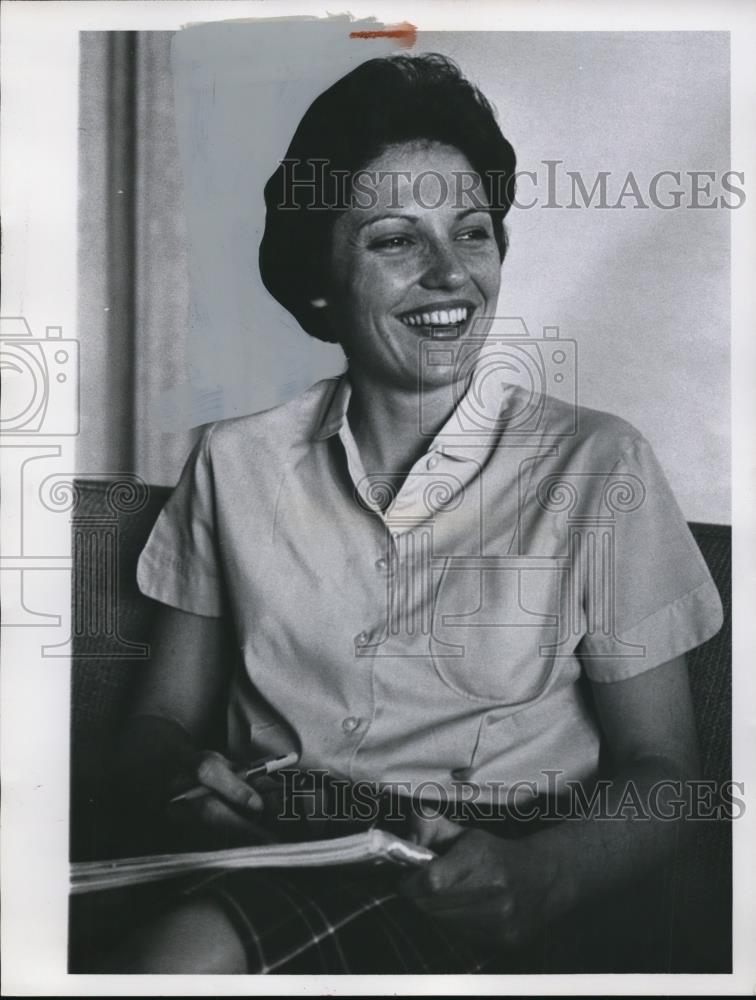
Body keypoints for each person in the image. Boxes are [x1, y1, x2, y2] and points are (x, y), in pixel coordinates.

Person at [99, 53, 724, 974]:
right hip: (272, 847)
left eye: (471, 234)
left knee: (183, 956)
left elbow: (669, 778)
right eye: (396, 240)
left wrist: (539, 878)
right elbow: (157, 728)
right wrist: (181, 786)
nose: (448, 275)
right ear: (319, 278)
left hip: (484, 873)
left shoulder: (600, 466)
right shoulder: (233, 462)